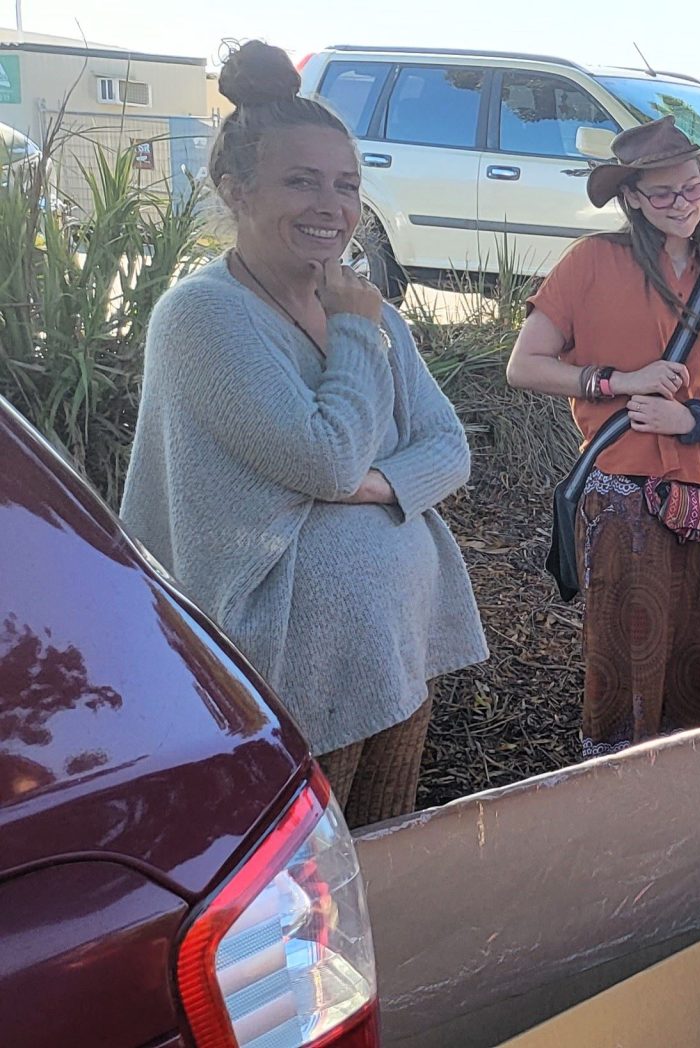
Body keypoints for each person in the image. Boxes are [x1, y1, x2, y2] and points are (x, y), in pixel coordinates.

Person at [123, 41, 486, 826]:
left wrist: (379, 486)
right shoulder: (204, 316)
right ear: (234, 189)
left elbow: (446, 446)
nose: (332, 205)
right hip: (285, 665)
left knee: (381, 849)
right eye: (301, 182)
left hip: (396, 645)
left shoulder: (373, 311)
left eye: (346, 185)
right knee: (295, 883)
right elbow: (324, 458)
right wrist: (355, 340)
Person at [508, 116, 700, 756]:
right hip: (624, 500)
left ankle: (689, 805)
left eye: (691, 187)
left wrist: (698, 421)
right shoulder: (592, 263)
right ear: (631, 197)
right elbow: (524, 366)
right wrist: (621, 382)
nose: (682, 204)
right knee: (626, 675)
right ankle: (617, 809)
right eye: (662, 194)